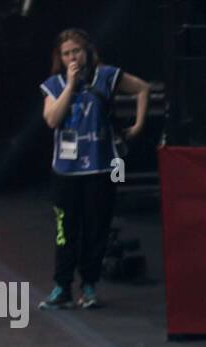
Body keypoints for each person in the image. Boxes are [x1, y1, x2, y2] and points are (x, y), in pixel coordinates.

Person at [38, 29, 149, 310]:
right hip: (65, 170)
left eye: (76, 51)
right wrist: (70, 86)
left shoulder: (107, 76)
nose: (72, 57)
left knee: (96, 229)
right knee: (66, 230)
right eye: (66, 53)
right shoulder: (54, 84)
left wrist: (138, 124)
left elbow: (142, 88)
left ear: (87, 51)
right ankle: (62, 287)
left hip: (101, 166)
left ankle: (89, 285)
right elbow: (52, 119)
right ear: (60, 58)